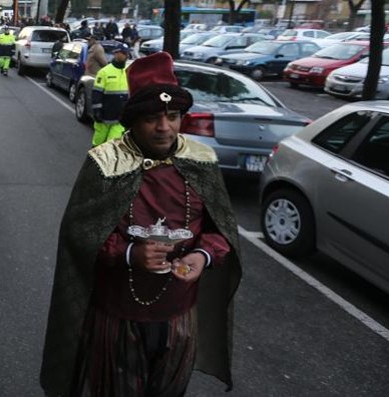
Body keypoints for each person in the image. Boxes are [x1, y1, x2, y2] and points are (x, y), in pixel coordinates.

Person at [40, 51, 242, 397]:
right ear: (133, 120)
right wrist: (130, 254)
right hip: (118, 316)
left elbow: (221, 231)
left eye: (173, 116)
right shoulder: (105, 162)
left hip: (180, 315)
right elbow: (80, 235)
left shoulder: (200, 160)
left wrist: (203, 256)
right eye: (152, 118)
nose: (164, 128)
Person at [91, 48, 129, 146]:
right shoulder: (104, 72)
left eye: (125, 53)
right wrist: (97, 110)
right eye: (121, 53)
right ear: (115, 54)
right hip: (105, 115)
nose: (124, 56)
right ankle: (93, 159)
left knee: (112, 145)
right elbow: (96, 93)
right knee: (98, 143)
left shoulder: (128, 72)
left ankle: (107, 160)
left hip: (120, 117)